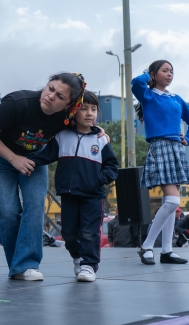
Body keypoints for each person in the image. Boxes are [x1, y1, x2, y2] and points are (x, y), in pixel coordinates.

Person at [0, 72, 102, 281]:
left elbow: (85, 124)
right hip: (0, 158)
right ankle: (0, 214)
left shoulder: (65, 118)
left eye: (60, 97)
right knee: (7, 213)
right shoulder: (18, 103)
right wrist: (14, 159)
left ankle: (25, 265)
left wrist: (100, 132)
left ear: (68, 105)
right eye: (51, 88)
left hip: (36, 159)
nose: (51, 96)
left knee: (35, 206)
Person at [30, 90, 118, 282]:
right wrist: (26, 161)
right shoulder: (62, 136)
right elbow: (46, 155)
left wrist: (100, 178)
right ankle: (78, 258)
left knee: (89, 231)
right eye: (84, 108)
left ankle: (89, 266)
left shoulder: (100, 140)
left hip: (93, 195)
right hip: (68, 194)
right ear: (73, 112)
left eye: (93, 109)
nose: (89, 113)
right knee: (68, 232)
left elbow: (112, 165)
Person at [131, 60, 189, 265]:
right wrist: (147, 75)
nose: (170, 74)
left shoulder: (176, 98)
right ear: (154, 74)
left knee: (170, 203)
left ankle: (167, 250)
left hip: (176, 149)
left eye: (172, 71)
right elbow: (135, 83)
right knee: (172, 202)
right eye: (165, 71)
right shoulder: (148, 95)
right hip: (159, 148)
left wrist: (187, 139)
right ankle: (147, 246)